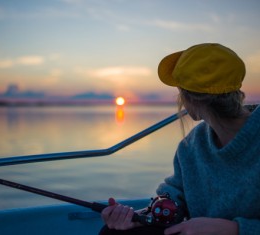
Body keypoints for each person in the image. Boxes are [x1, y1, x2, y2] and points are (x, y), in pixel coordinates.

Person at [98, 43, 260, 235]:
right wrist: (143, 216)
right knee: (112, 232)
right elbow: (176, 196)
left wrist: (233, 229)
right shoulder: (192, 145)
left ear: (189, 99)